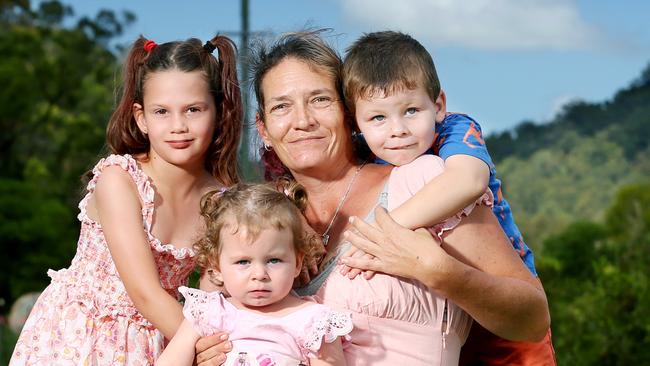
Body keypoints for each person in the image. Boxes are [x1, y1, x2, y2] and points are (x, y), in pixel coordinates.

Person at [243, 30, 550, 365]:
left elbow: (533, 320)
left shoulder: (424, 181)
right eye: (281, 106)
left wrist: (440, 272)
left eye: (320, 100)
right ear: (263, 128)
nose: (302, 120)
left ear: (349, 113)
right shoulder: (262, 217)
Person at [10, 34, 243, 365]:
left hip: (164, 341)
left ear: (218, 113)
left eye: (193, 109)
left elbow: (212, 289)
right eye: (162, 111)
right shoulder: (119, 180)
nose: (178, 126)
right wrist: (203, 345)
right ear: (141, 118)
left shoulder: (222, 200)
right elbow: (144, 293)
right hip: (82, 338)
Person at [339, 31, 557, 364]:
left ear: (438, 105)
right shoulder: (369, 157)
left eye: (411, 110)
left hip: (497, 300)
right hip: (443, 321)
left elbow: (466, 181)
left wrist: (382, 232)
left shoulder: (454, 130)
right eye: (378, 117)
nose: (397, 129)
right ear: (356, 122)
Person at [157, 183, 353, 366]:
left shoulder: (312, 320)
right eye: (243, 262)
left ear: (297, 263)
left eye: (273, 260)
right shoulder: (210, 312)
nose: (259, 274)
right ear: (217, 267)